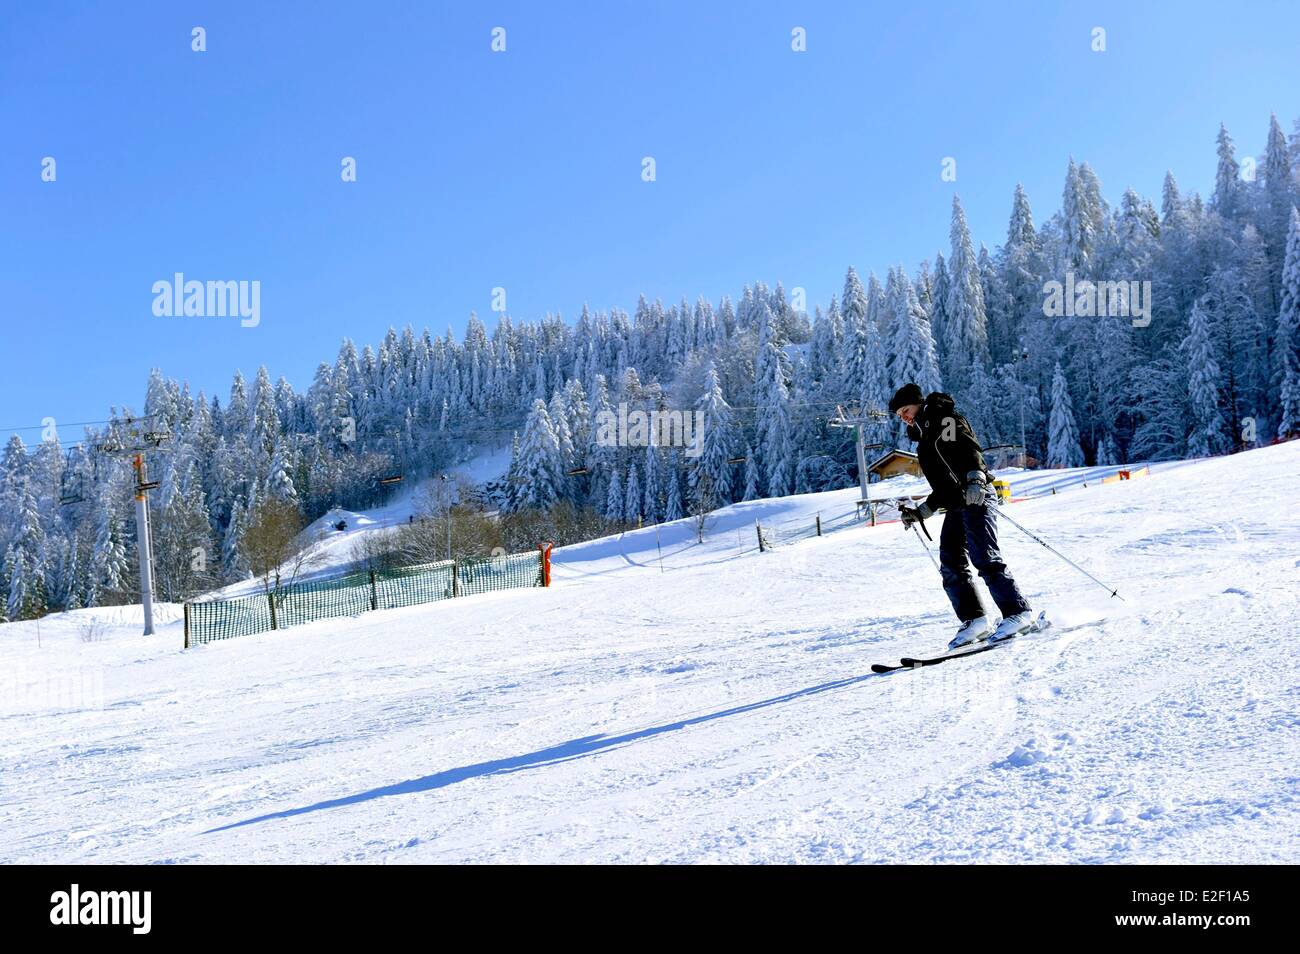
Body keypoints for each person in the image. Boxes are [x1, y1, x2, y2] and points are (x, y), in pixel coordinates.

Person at [887, 382, 1034, 649]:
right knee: (951, 561)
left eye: (905, 410)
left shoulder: (945, 420)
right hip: (957, 502)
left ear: (918, 403)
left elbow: (969, 449)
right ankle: (975, 620)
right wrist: (921, 512)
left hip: (977, 493)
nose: (904, 417)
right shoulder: (924, 442)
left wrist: (976, 478)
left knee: (983, 555)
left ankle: (1018, 613)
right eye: (900, 415)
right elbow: (942, 487)